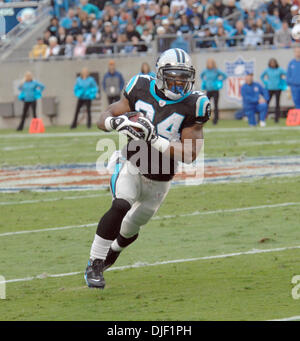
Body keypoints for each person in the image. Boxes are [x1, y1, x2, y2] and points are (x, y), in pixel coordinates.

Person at [84, 48, 211, 289]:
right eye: (174, 76)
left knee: (132, 227)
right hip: (132, 163)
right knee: (121, 203)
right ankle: (94, 263)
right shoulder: (139, 86)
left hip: (161, 178)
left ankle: (113, 251)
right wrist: (114, 122)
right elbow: (106, 115)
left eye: (184, 77)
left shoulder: (195, 104)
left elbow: (190, 154)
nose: (179, 83)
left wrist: (155, 140)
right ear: (160, 74)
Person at [200, 58, 227, 125]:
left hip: (215, 90)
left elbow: (224, 76)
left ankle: (215, 120)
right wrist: (204, 81)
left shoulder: (216, 71)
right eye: (209, 63)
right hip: (208, 90)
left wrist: (219, 81)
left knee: (216, 106)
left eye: (211, 63)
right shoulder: (205, 71)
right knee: (206, 105)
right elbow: (201, 76)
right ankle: (205, 118)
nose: (210, 64)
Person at [260, 58, 286, 123]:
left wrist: (283, 82)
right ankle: (263, 117)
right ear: (269, 64)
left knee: (277, 104)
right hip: (270, 89)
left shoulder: (279, 70)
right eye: (271, 63)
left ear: (276, 63)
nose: (272, 64)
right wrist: (265, 82)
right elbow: (261, 76)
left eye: (274, 63)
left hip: (278, 89)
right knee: (267, 103)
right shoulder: (267, 70)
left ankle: (276, 119)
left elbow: (287, 74)